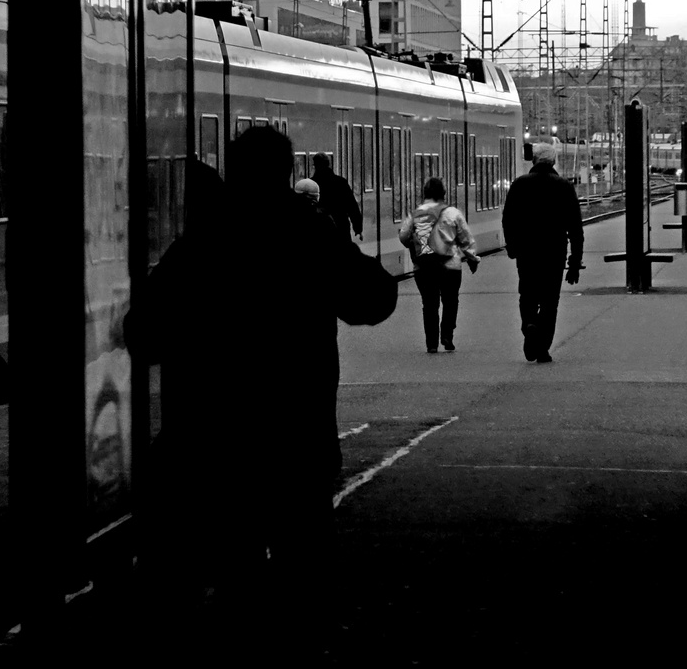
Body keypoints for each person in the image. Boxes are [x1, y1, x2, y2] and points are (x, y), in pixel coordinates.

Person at [135, 129, 397, 650]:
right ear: (286, 170)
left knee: (234, 570)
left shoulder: (199, 245)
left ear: (232, 171)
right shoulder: (312, 236)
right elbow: (374, 298)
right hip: (298, 436)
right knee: (304, 568)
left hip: (214, 444)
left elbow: (143, 334)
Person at [502, 142, 585, 363]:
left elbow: (508, 219)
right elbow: (575, 228)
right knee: (550, 301)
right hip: (554, 253)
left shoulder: (519, 185)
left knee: (527, 295)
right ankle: (543, 349)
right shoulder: (564, 186)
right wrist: (574, 262)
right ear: (554, 161)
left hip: (526, 253)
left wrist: (512, 248)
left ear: (533, 160)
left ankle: (529, 323)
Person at [397, 176, 476, 353]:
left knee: (429, 304)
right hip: (451, 266)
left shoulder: (416, 213)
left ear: (424, 193)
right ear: (443, 194)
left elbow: (404, 236)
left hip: (424, 266)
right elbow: (466, 239)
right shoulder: (453, 213)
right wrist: (472, 259)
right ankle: (447, 334)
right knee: (450, 300)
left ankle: (431, 343)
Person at [310, 153, 363, 240]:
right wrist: (358, 228)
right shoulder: (341, 182)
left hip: (318, 230)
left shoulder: (311, 184)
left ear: (315, 166)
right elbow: (352, 206)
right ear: (328, 164)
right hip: (341, 227)